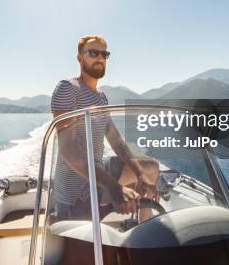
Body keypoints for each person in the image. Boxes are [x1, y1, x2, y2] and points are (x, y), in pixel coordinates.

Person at [50, 35, 157, 221]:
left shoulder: (101, 98)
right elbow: (70, 152)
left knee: (150, 168)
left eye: (104, 54)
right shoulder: (67, 88)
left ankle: (145, 226)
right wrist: (114, 188)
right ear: (80, 58)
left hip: (98, 172)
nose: (100, 58)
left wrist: (140, 174)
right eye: (93, 52)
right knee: (87, 248)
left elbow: (116, 141)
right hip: (75, 192)